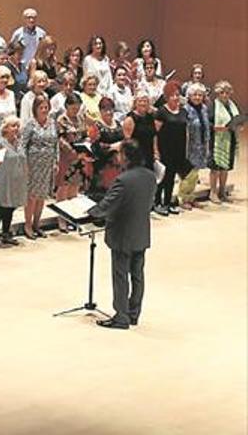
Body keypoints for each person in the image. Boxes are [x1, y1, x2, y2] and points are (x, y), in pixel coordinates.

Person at [87, 139, 156, 330]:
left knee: (120, 275)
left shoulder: (123, 180)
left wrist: (91, 212)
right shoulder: (150, 176)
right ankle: (134, 313)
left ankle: (121, 316)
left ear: (125, 157)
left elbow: (108, 204)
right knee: (137, 275)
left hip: (123, 233)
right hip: (141, 231)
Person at [0, 116, 29, 248]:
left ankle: (6, 233)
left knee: (10, 207)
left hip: (16, 181)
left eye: (17, 125)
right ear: (5, 128)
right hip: (3, 180)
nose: (16, 128)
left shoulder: (19, 142)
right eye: (12, 126)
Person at [22, 96, 57, 239]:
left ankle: (37, 224)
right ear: (35, 109)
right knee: (32, 196)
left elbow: (56, 144)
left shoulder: (52, 123)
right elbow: (23, 144)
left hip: (47, 164)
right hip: (33, 164)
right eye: (41, 107)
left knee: (42, 196)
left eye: (46, 107)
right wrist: (24, 164)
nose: (44, 110)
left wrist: (56, 161)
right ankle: (28, 225)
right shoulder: (31, 124)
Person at [55, 93, 91, 232]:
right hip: (66, 158)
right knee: (63, 189)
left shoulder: (81, 118)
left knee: (74, 188)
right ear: (67, 106)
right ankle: (61, 220)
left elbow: (85, 135)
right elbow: (60, 139)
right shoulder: (61, 120)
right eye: (73, 108)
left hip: (80, 157)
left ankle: (72, 217)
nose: (75, 110)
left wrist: (86, 144)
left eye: (77, 107)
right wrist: (73, 151)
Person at [153, 81, 189, 216]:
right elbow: (155, 133)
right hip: (164, 149)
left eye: (177, 95)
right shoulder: (161, 112)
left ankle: (167, 203)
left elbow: (185, 131)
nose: (175, 97)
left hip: (178, 150)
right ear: (167, 96)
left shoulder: (184, 112)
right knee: (162, 177)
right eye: (173, 95)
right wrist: (156, 150)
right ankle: (157, 203)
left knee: (172, 177)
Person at [177, 83, 211, 210]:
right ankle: (184, 198)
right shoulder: (185, 109)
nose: (197, 97)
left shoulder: (204, 109)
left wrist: (206, 144)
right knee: (188, 174)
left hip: (201, 146)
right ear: (189, 96)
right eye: (195, 95)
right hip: (189, 147)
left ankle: (191, 197)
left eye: (200, 95)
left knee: (195, 174)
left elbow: (206, 127)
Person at [208, 81, 240, 203]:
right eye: (222, 92)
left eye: (227, 92)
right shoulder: (213, 106)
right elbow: (208, 123)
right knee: (215, 168)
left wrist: (238, 125)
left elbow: (236, 119)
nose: (225, 95)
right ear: (218, 93)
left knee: (225, 167)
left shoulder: (232, 105)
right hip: (217, 140)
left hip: (229, 139)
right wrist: (216, 128)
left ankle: (222, 191)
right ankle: (213, 192)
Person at [90, 98, 125, 198]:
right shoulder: (96, 125)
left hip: (118, 165)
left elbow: (124, 139)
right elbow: (94, 146)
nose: (109, 112)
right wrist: (111, 147)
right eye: (105, 110)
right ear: (100, 111)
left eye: (111, 109)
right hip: (102, 165)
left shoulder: (118, 124)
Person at [122, 91, 157, 170]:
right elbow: (127, 141)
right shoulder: (130, 119)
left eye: (145, 101)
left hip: (149, 154)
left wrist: (156, 152)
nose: (143, 103)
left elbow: (154, 135)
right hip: (136, 157)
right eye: (140, 101)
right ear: (135, 103)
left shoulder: (150, 117)